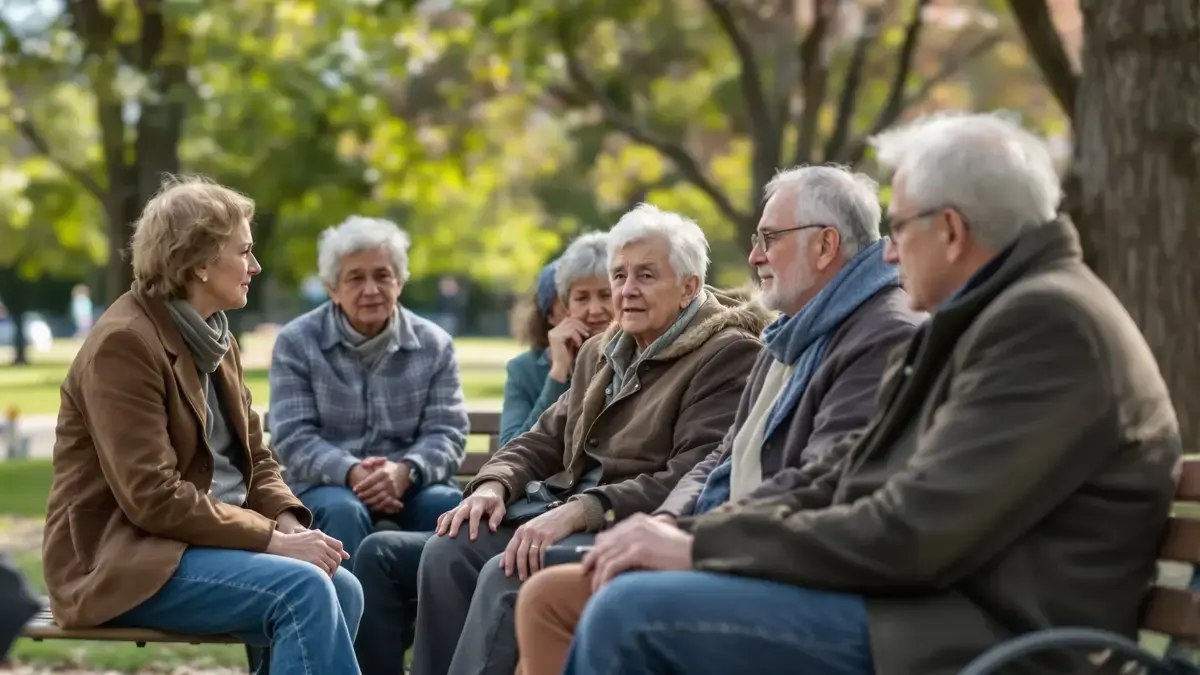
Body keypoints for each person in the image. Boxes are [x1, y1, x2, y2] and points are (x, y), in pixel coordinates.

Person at [555, 112, 1181, 675]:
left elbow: (914, 533)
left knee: (632, 614)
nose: (886, 250)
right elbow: (846, 474)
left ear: (952, 233)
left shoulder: (1046, 325)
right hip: (924, 608)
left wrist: (702, 547)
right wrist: (696, 533)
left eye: (900, 226)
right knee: (627, 595)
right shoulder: (993, 316)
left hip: (990, 640)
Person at [512, 164, 926, 675]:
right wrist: (667, 521)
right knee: (546, 597)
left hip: (792, 571)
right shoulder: (798, 330)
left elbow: (825, 485)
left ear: (824, 246)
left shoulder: (881, 333)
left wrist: (694, 543)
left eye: (769, 238)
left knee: (609, 606)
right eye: (620, 276)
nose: (754, 256)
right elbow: (719, 459)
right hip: (738, 546)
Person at [351, 204, 769, 675]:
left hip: (631, 524)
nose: (626, 290)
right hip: (558, 510)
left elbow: (690, 474)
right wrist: (493, 484)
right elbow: (543, 437)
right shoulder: (604, 347)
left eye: (646, 276)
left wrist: (582, 509)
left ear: (690, 286)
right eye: (620, 275)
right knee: (448, 550)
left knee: (507, 572)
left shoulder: (728, 354)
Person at [41, 176, 363, 674]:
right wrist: (273, 541)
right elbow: (152, 495)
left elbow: (256, 457)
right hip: (125, 562)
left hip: (196, 547)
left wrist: (290, 524)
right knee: (304, 589)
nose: (255, 266)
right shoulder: (123, 344)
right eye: (245, 251)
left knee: (342, 585)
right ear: (200, 261)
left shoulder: (217, 338)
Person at [269, 216, 469, 559]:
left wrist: (405, 471)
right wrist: (352, 471)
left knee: (449, 505)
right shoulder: (297, 342)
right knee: (343, 510)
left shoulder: (435, 345)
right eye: (355, 278)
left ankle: (436, 611)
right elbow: (293, 436)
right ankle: (349, 612)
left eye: (382, 275)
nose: (371, 289)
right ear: (333, 288)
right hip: (327, 485)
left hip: (411, 482)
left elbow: (447, 432)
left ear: (400, 282)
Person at [501, 232, 613, 446]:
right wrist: (558, 372)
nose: (595, 310)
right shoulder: (523, 370)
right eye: (581, 298)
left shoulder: (637, 356)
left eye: (605, 295)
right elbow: (509, 450)